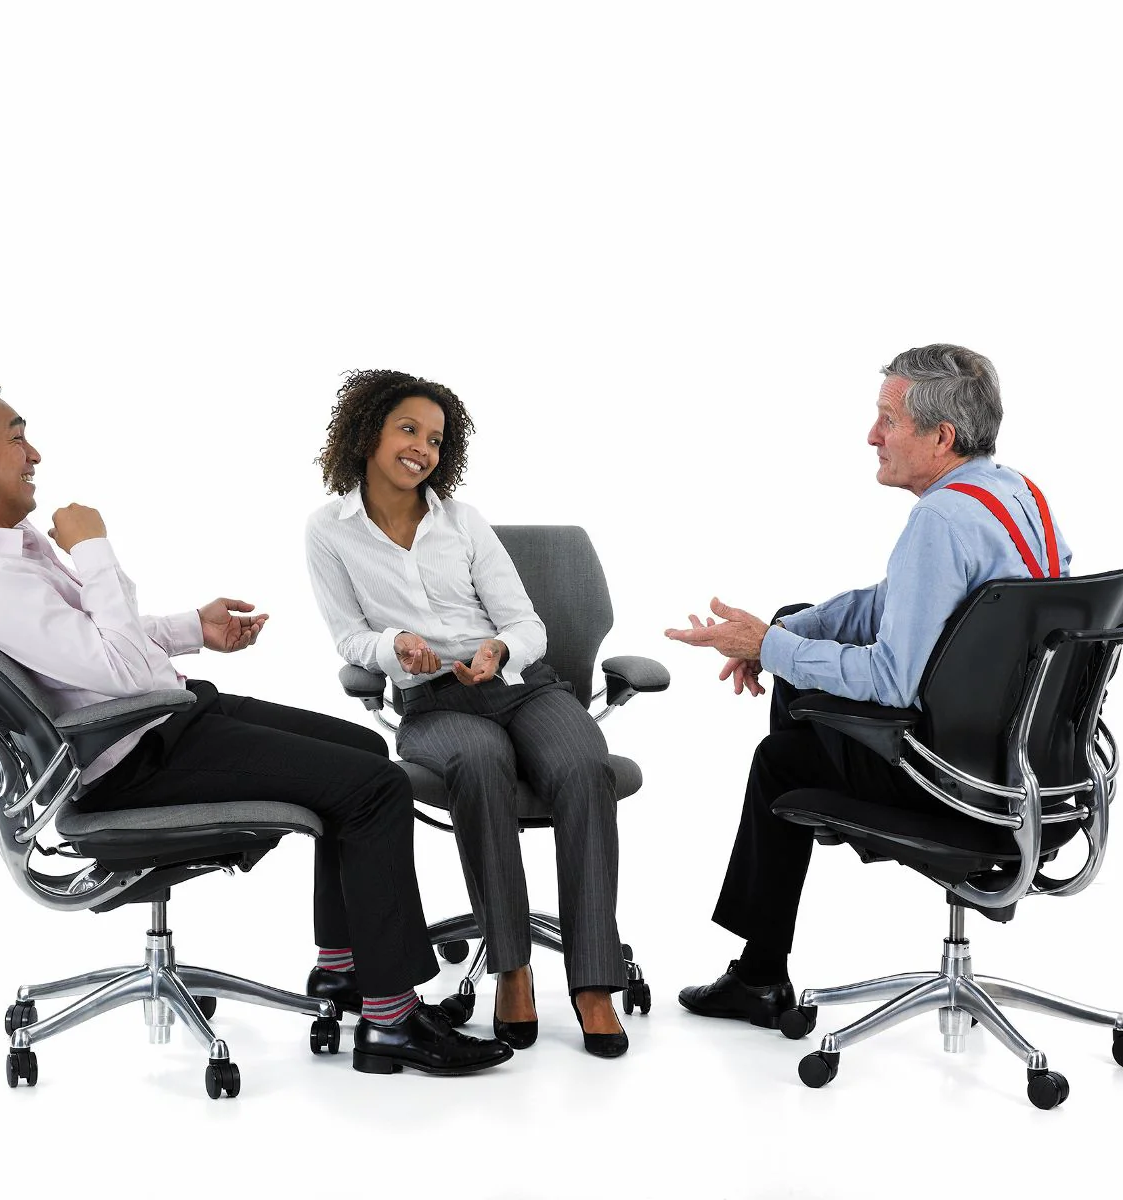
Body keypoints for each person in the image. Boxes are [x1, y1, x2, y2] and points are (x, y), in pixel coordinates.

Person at [0, 377, 512, 1078]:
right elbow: (119, 668)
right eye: (16, 438)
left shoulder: (6, 553)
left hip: (162, 719)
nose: (33, 453)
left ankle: (344, 969)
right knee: (375, 786)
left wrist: (193, 628)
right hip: (133, 758)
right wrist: (95, 551)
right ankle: (392, 1021)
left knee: (363, 747)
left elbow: (95, 642)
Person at [665, 345, 1072, 1028]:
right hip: (1035, 772)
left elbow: (889, 681)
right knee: (797, 628)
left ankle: (761, 972)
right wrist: (779, 633)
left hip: (960, 784)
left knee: (782, 760)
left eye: (888, 420)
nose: (871, 436)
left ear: (940, 437)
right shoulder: (1016, 494)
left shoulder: (939, 521)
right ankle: (799, 852)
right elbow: (893, 603)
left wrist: (769, 650)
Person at [305, 369, 630, 1058]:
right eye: (408, 429)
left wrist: (500, 648)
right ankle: (511, 969)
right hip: (433, 700)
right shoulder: (328, 531)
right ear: (367, 432)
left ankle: (594, 983)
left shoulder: (462, 521)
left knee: (585, 767)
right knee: (479, 764)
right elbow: (348, 637)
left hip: (520, 685)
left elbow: (526, 622)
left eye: (434, 439)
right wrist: (394, 646)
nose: (422, 448)